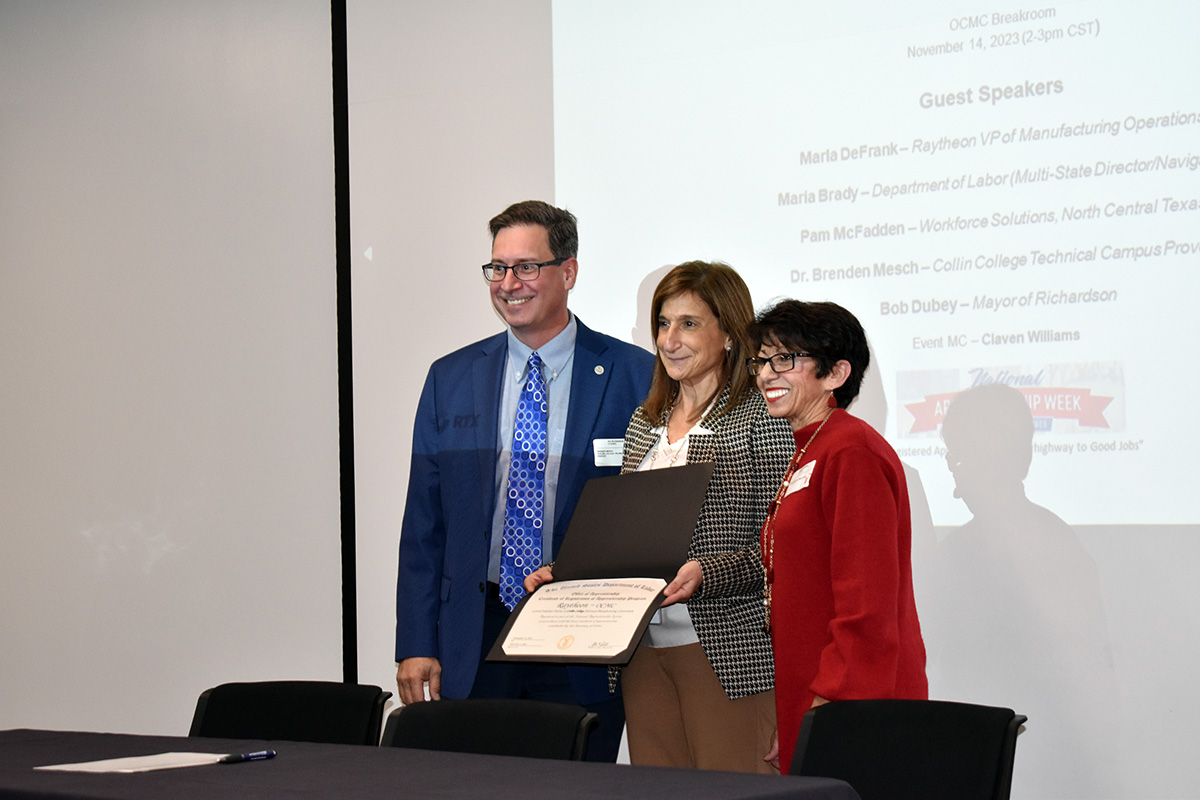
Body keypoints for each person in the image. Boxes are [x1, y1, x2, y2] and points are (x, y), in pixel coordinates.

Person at [394, 200, 654, 762]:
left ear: (569, 271)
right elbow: (425, 524)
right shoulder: (450, 377)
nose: (509, 283)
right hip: (475, 636)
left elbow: (649, 516)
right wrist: (417, 642)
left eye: (526, 267)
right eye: (497, 268)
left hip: (583, 637)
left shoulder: (637, 375)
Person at [528, 261, 794, 773]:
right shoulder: (644, 421)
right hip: (642, 650)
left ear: (730, 334)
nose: (670, 339)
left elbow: (781, 547)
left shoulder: (760, 417)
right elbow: (629, 541)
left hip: (723, 651)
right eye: (663, 323)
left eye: (689, 323)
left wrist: (707, 572)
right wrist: (568, 578)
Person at [671, 299, 927, 774]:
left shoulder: (850, 450)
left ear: (836, 373)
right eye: (762, 360)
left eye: (785, 359)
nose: (767, 374)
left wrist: (827, 702)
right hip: (813, 690)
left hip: (854, 699)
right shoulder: (809, 447)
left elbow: (866, 605)